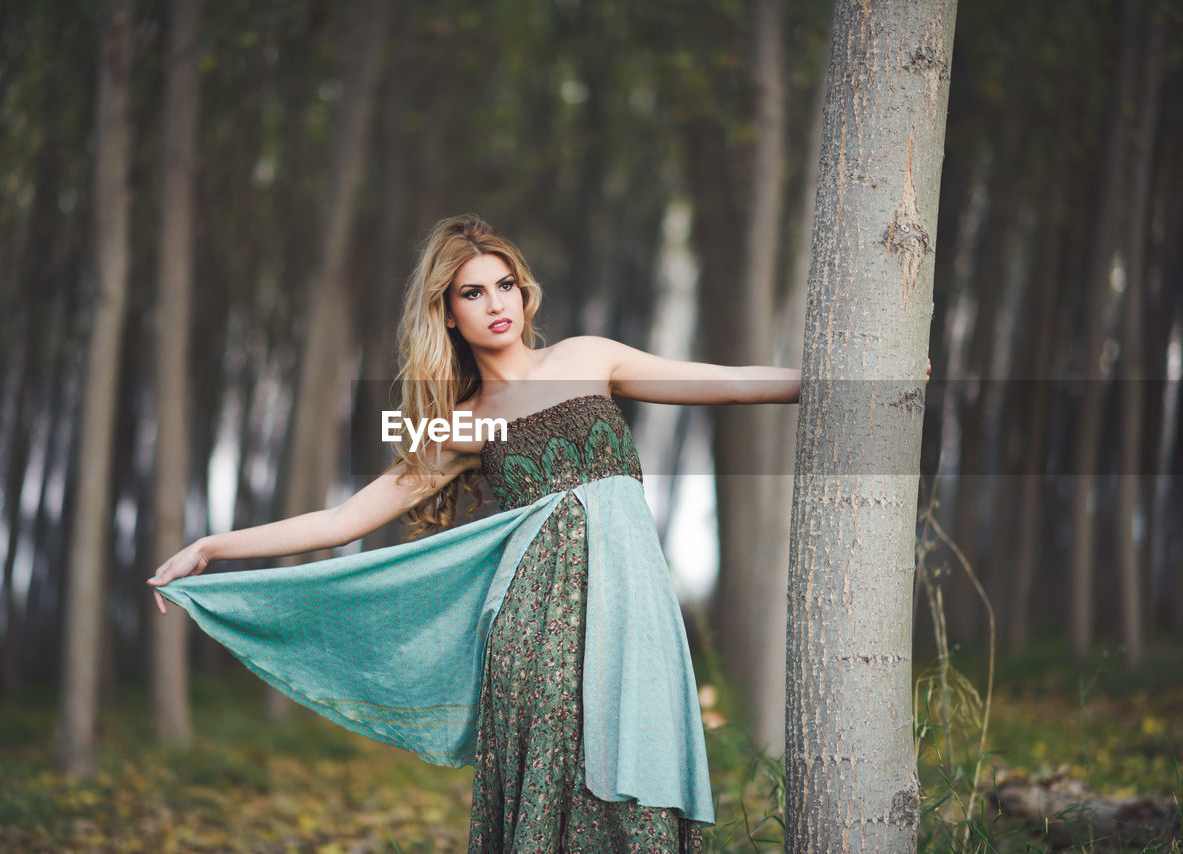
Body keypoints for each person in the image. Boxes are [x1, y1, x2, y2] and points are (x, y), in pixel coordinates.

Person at [147, 214, 802, 852]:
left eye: (505, 285)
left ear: (523, 291)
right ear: (448, 313)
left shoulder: (587, 357)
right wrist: (211, 547)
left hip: (635, 615)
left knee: (640, 786)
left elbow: (733, 384)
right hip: (536, 635)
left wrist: (833, 386)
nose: (495, 303)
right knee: (567, 796)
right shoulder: (458, 425)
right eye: (472, 292)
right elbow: (339, 521)